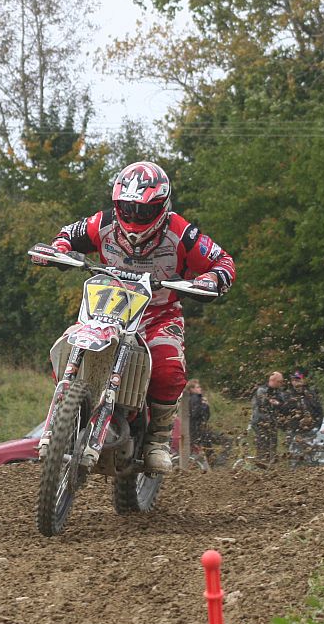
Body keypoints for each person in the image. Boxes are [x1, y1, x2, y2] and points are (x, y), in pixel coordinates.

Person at [31, 161, 236, 473]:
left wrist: (211, 279)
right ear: (117, 203)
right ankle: (66, 413)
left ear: (161, 206)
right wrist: (59, 249)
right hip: (107, 307)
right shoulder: (104, 223)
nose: (133, 216)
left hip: (158, 314)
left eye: (142, 210)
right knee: (67, 345)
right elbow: (69, 234)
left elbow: (222, 261)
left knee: (168, 368)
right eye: (127, 208)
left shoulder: (182, 232)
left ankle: (157, 439)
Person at [251, 371, 290, 463]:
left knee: (273, 445)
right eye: (280, 382)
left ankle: (270, 465)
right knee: (263, 445)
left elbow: (283, 404)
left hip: (272, 422)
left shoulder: (278, 392)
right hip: (260, 422)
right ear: (273, 380)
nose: (281, 384)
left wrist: (278, 403)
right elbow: (264, 402)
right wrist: (274, 402)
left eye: (282, 382)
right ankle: (261, 463)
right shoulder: (262, 390)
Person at [286, 371, 324, 462]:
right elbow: (283, 413)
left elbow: (320, 411)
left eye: (298, 379)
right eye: (294, 380)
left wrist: (317, 426)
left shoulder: (311, 394)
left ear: (303, 380)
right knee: (295, 457)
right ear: (291, 381)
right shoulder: (288, 395)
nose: (296, 382)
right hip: (295, 431)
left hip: (311, 430)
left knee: (312, 456)